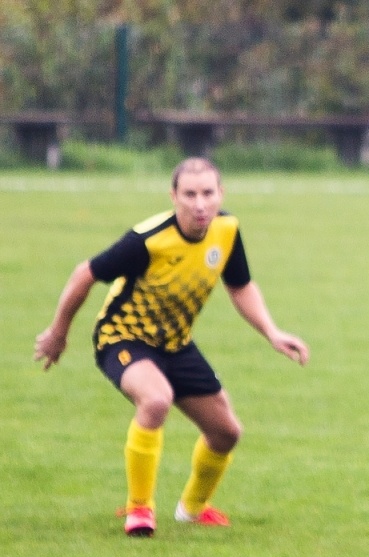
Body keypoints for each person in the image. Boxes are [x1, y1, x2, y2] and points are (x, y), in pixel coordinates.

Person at [33, 157, 308, 536]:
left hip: (175, 344)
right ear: (173, 196)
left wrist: (272, 332)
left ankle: (192, 510)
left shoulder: (226, 230)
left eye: (208, 193)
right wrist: (58, 332)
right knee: (156, 399)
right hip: (122, 337)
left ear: (221, 194)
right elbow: (85, 273)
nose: (200, 204)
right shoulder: (147, 240)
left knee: (226, 432)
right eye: (190, 194)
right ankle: (139, 509)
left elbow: (240, 285)